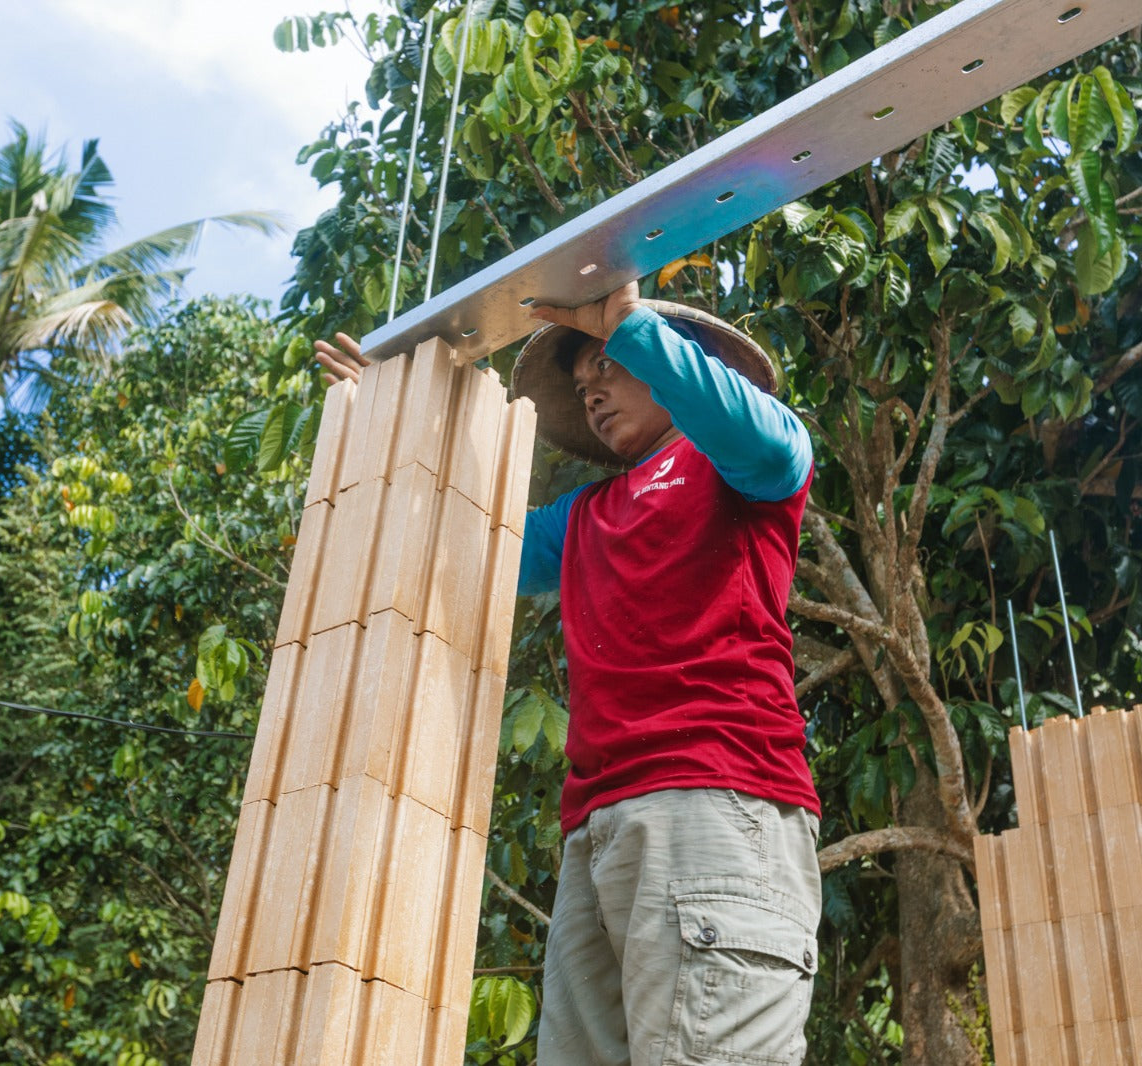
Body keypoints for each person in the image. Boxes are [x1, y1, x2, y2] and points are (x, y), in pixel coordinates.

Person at [315, 280, 820, 1066]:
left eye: (608, 368)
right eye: (582, 385)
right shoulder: (586, 517)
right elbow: (461, 528)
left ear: (682, 362)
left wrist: (625, 323)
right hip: (598, 831)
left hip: (713, 807)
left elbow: (770, 445)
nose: (592, 392)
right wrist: (384, 420)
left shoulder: (740, 465)